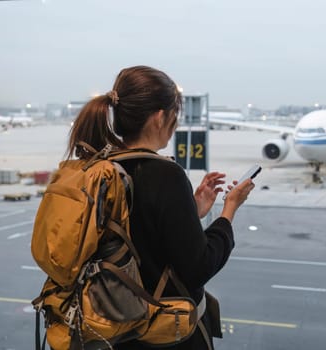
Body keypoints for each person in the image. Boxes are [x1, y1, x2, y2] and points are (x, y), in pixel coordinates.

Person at [66, 65, 255, 349]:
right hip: (160, 335)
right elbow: (199, 266)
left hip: (111, 330)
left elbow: (137, 233)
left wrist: (191, 210)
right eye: (174, 115)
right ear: (159, 118)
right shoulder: (164, 174)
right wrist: (229, 212)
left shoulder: (104, 166)